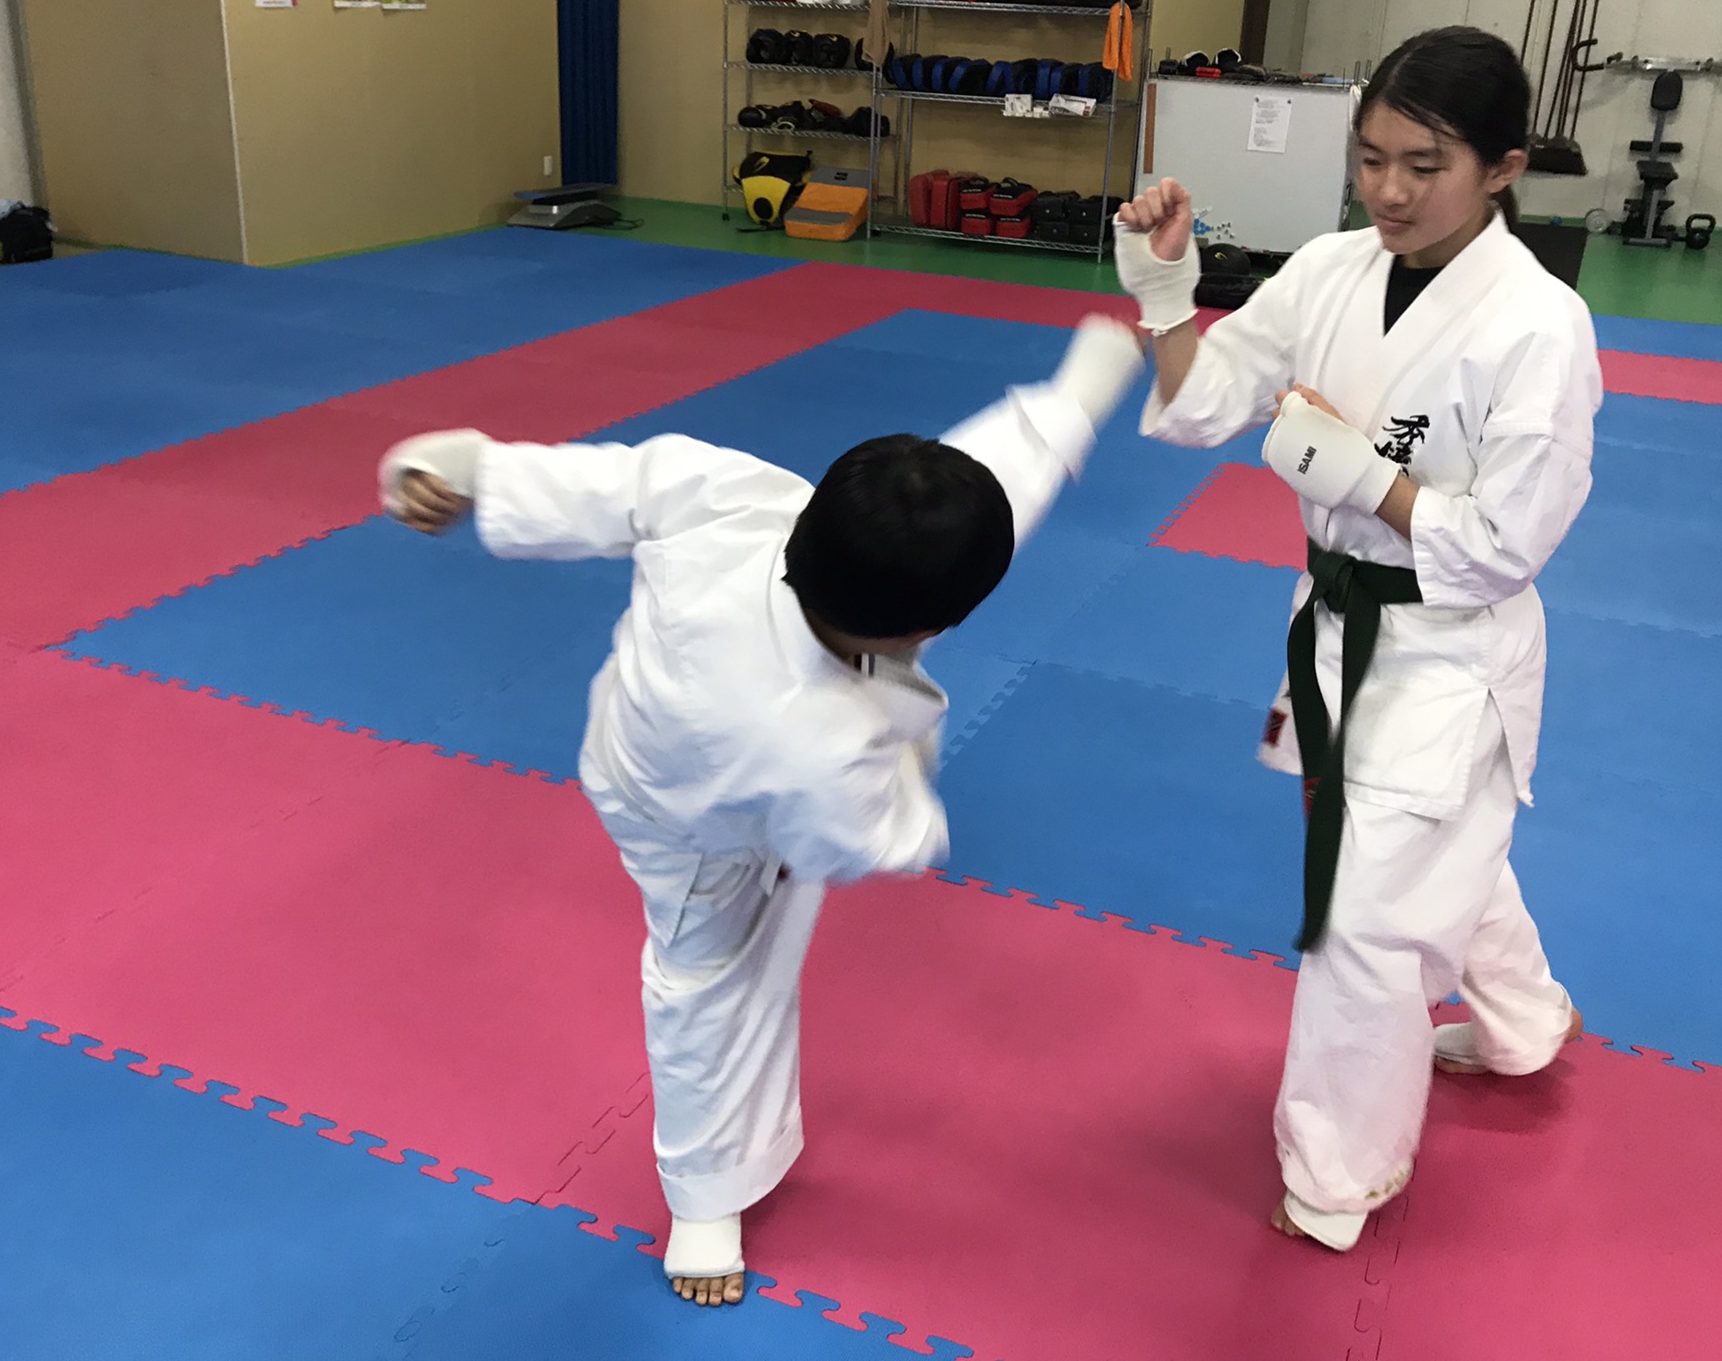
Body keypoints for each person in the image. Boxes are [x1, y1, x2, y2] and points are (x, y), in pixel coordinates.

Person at [377, 316, 1146, 1303]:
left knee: (939, 511)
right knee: (707, 984)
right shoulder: (822, 748)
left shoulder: (744, 499)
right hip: (692, 827)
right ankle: (704, 1197)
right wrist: (908, 771)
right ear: (933, 629)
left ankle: (1069, 399)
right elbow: (856, 845)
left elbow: (613, 484)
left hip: (682, 718)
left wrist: (477, 474)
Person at [1114, 26, 1597, 1252]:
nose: (1387, 190)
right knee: (1428, 853)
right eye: (1369, 157)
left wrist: (1356, 473)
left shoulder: (1539, 327)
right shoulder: (1329, 269)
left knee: (1363, 919)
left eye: (1422, 165)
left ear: (1501, 168)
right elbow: (1204, 403)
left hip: (1447, 648)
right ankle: (1523, 1023)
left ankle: (1339, 1174)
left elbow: (1503, 547)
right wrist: (1164, 292)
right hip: (1332, 625)